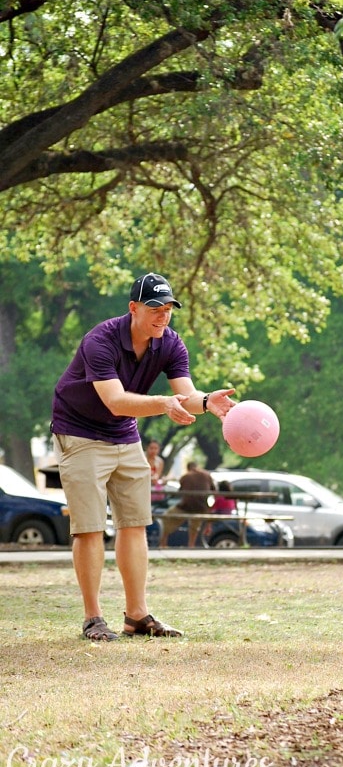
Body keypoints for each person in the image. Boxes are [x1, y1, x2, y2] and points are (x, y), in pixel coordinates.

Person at [51, 272, 235, 641]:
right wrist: (163, 404)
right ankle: (92, 618)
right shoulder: (100, 340)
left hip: (123, 433)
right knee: (88, 526)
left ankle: (136, 616)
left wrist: (204, 402)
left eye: (168, 309)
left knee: (135, 523)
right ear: (134, 307)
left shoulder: (170, 343)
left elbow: (184, 394)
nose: (162, 316)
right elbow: (116, 401)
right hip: (80, 431)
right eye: (154, 308)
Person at [159, 461, 216, 549]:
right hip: (201, 507)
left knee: (166, 519)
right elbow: (214, 490)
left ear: (188, 468)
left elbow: (181, 492)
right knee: (194, 527)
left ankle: (163, 544)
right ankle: (191, 546)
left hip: (186, 506)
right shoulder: (207, 475)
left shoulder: (185, 477)